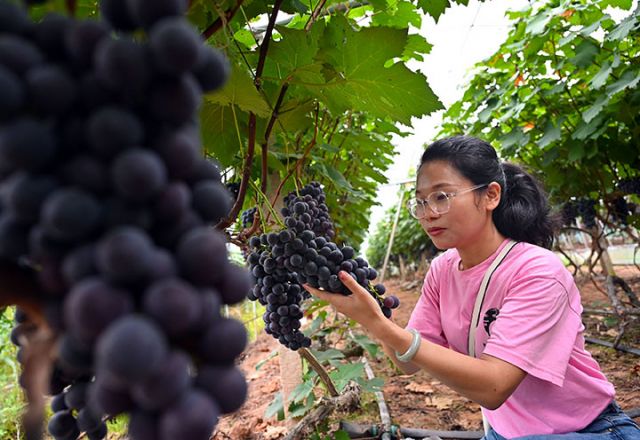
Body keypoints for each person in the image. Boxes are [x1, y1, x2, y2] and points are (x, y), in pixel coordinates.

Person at [304, 136, 640, 439]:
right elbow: (407, 363)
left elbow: (494, 386)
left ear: (491, 195)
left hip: (585, 430)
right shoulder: (443, 270)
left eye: (442, 197)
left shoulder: (538, 271)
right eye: (420, 202)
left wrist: (379, 323)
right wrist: (369, 317)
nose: (428, 213)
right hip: (505, 432)